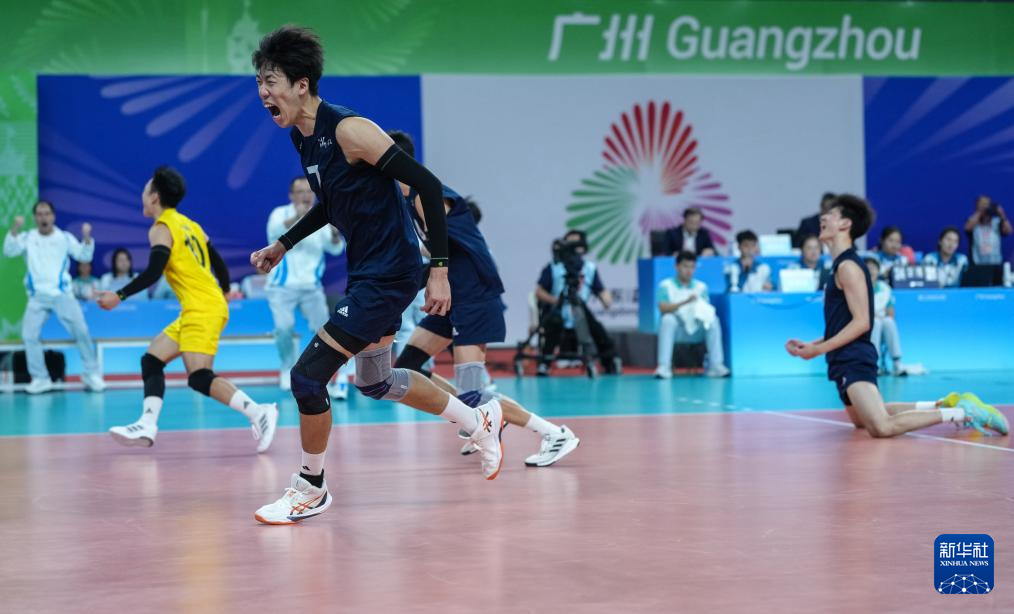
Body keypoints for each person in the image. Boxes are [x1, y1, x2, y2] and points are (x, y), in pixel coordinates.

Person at [249, 26, 505, 525]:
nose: (263, 92)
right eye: (259, 81)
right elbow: (330, 204)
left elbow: (427, 184)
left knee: (307, 376)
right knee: (375, 380)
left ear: (301, 84)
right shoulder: (304, 140)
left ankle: (311, 486)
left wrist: (440, 271)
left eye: (270, 81)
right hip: (367, 271)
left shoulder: (350, 130)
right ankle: (479, 419)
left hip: (391, 273)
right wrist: (284, 244)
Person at [386, 130, 579, 468]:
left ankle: (553, 433)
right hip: (452, 296)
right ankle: (476, 418)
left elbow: (441, 247)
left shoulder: (426, 194)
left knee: (473, 391)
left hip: (473, 296)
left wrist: (424, 275)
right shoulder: (406, 201)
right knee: (407, 368)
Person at [785, 194, 1007, 438]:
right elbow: (842, 323)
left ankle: (963, 413)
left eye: (831, 214)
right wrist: (813, 344)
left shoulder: (849, 267)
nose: (823, 218)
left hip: (854, 357)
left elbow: (862, 322)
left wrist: (819, 349)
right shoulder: (838, 266)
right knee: (863, 420)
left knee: (881, 426)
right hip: (840, 359)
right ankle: (943, 404)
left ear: (845, 224)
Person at [97, 166, 279, 453]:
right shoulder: (190, 225)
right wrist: (223, 291)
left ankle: (260, 412)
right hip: (201, 305)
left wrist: (119, 295)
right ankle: (147, 424)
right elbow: (218, 262)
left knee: (199, 377)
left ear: (154, 197)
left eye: (145, 190)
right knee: (152, 360)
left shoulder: (161, 228)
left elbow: (154, 271)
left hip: (202, 308)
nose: (142, 195)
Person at [3, 201, 105, 393]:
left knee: (81, 331)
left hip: (62, 295)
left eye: (47, 214)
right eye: (40, 214)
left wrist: (86, 237)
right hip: (37, 298)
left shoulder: (64, 238)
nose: (44, 218)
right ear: (35, 218)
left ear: (53, 216)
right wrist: (15, 227)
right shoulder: (27, 237)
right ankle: (41, 378)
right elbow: (9, 250)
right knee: (29, 335)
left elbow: (84, 256)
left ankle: (91, 373)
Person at [265, 176, 352, 397]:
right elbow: (275, 232)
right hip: (281, 286)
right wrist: (301, 217)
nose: (305, 195)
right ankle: (286, 367)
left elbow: (335, 248)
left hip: (311, 288)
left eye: (308, 191)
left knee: (324, 332)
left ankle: (323, 374)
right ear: (291, 195)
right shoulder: (279, 214)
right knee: (284, 328)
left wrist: (334, 231)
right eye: (300, 192)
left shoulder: (321, 218)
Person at [535, 230, 620, 375]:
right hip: (558, 309)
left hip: (580, 310)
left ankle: (609, 362)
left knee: (597, 328)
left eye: (576, 244)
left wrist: (607, 300)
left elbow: (601, 290)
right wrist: (556, 301)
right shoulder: (554, 267)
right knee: (553, 323)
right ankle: (545, 363)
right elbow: (539, 291)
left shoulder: (589, 268)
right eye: (570, 243)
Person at [654, 251, 728, 379]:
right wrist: (685, 302)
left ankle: (716, 365)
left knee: (713, 320)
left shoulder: (701, 287)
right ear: (676, 267)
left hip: (696, 330)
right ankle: (664, 367)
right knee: (667, 319)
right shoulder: (666, 285)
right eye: (685, 266)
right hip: (677, 331)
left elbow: (706, 310)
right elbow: (662, 308)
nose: (689, 271)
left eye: (692, 267)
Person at [864, 258, 904, 375]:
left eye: (874, 268)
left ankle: (897, 363)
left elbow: (890, 311)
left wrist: (883, 317)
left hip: (881, 323)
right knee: (875, 323)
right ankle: (874, 363)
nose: (871, 271)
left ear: (878, 271)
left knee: (889, 321)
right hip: (864, 325)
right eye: (867, 268)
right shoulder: (858, 288)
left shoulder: (885, 288)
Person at [965, 195, 1012, 265]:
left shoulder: (997, 222)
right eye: (982, 204)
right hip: (977, 264)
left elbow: (1009, 231)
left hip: (996, 263)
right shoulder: (974, 222)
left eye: (987, 204)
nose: (985, 206)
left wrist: (1002, 214)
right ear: (976, 207)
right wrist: (980, 211)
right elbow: (967, 228)